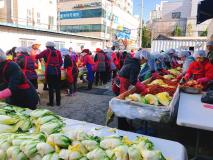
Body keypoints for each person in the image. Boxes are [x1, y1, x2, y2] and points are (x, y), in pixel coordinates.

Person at [36, 41, 63, 106]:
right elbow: (61, 62)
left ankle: (51, 103)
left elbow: (37, 56)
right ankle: (58, 102)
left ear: (47, 46)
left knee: (50, 87)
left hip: (50, 71)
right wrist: (57, 66)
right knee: (57, 87)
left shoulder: (46, 51)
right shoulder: (58, 52)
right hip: (57, 71)